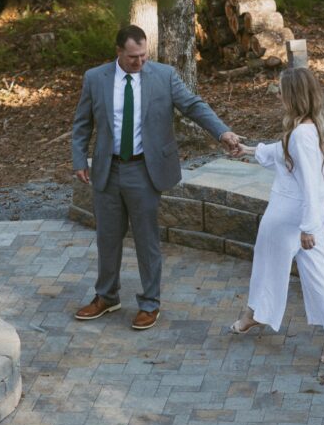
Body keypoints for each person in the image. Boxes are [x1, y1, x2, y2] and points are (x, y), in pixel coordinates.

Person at [72, 24, 242, 329]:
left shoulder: (163, 76)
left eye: (144, 55)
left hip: (143, 169)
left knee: (146, 238)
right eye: (133, 56)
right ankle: (106, 297)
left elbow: (193, 106)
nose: (140, 62)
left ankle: (150, 303)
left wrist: (222, 132)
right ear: (119, 53)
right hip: (106, 171)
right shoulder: (95, 78)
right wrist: (77, 159)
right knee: (107, 238)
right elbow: (82, 123)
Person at [231, 67, 324, 365]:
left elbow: (309, 182)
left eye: (282, 91)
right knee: (320, 275)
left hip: (291, 215)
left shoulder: (300, 135)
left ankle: (254, 314)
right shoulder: (311, 127)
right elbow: (282, 153)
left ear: (291, 96)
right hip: (311, 214)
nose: (279, 95)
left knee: (267, 264)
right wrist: (249, 150)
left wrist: (306, 228)